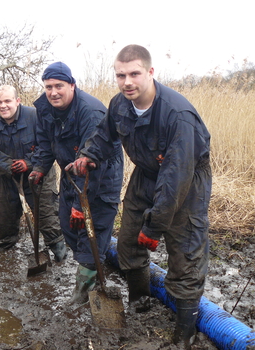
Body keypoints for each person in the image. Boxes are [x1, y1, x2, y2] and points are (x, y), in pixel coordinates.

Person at [66, 44, 211, 349]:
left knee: (185, 254)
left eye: (134, 74)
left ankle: (185, 334)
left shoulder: (177, 115)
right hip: (146, 175)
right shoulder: (120, 104)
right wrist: (89, 155)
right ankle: (139, 300)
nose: (127, 81)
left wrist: (155, 226)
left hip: (185, 183)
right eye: (121, 75)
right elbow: (105, 135)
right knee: (130, 240)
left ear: (150, 73)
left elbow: (175, 180)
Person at [29, 62, 124, 304]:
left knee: (94, 231)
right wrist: (40, 167)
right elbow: (44, 142)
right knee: (69, 226)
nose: (53, 92)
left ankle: (83, 294)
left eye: (59, 86)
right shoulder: (45, 108)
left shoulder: (90, 112)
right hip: (71, 174)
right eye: (48, 86)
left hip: (100, 175)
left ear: (72, 85)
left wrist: (82, 206)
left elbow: (92, 159)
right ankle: (92, 264)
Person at [0, 85, 66, 261]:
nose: (3, 106)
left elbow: (48, 144)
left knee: (47, 216)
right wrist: (9, 165)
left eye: (8, 101)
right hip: (6, 175)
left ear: (17, 101)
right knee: (3, 217)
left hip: (39, 173)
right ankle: (5, 260)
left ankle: (60, 255)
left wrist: (29, 162)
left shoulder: (34, 116)